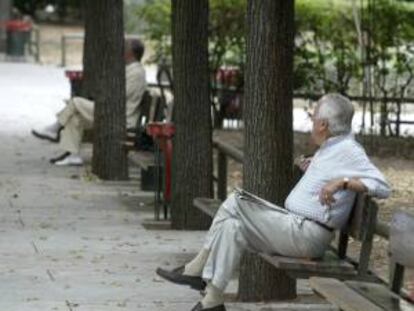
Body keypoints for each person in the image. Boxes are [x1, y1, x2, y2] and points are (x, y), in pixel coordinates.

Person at [156, 93, 391, 311]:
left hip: (306, 235)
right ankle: (212, 300)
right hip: (297, 228)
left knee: (236, 201)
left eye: (313, 116)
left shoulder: (349, 150)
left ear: (323, 125)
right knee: (232, 227)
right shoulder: (331, 148)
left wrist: (343, 182)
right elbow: (329, 175)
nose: (311, 122)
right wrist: (314, 170)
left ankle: (196, 269)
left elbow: (382, 187)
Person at [32, 39, 147, 166]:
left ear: (130, 53)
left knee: (75, 102)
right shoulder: (129, 69)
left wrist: (104, 94)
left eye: (125, 47)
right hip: (112, 111)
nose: (122, 49)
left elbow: (120, 96)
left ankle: (54, 129)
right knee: (75, 117)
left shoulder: (136, 72)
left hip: (120, 116)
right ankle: (74, 156)